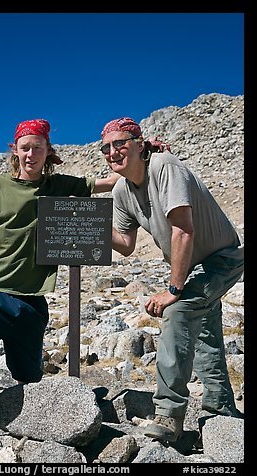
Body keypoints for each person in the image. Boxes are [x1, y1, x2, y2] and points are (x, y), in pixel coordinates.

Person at [0, 118, 120, 463]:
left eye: (38, 147)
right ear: (15, 150)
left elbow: (113, 181)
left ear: (47, 152)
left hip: (32, 300)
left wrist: (146, 155)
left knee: (29, 378)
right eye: (25, 147)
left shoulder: (59, 186)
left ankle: (34, 429)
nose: (31, 154)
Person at [99, 117, 244, 443]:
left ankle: (168, 415)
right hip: (192, 267)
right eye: (106, 147)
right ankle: (221, 409)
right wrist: (91, 222)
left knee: (178, 312)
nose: (113, 151)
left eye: (121, 143)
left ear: (139, 144)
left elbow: (183, 229)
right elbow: (125, 244)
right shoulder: (122, 191)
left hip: (222, 259)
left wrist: (173, 290)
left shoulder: (164, 166)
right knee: (204, 330)